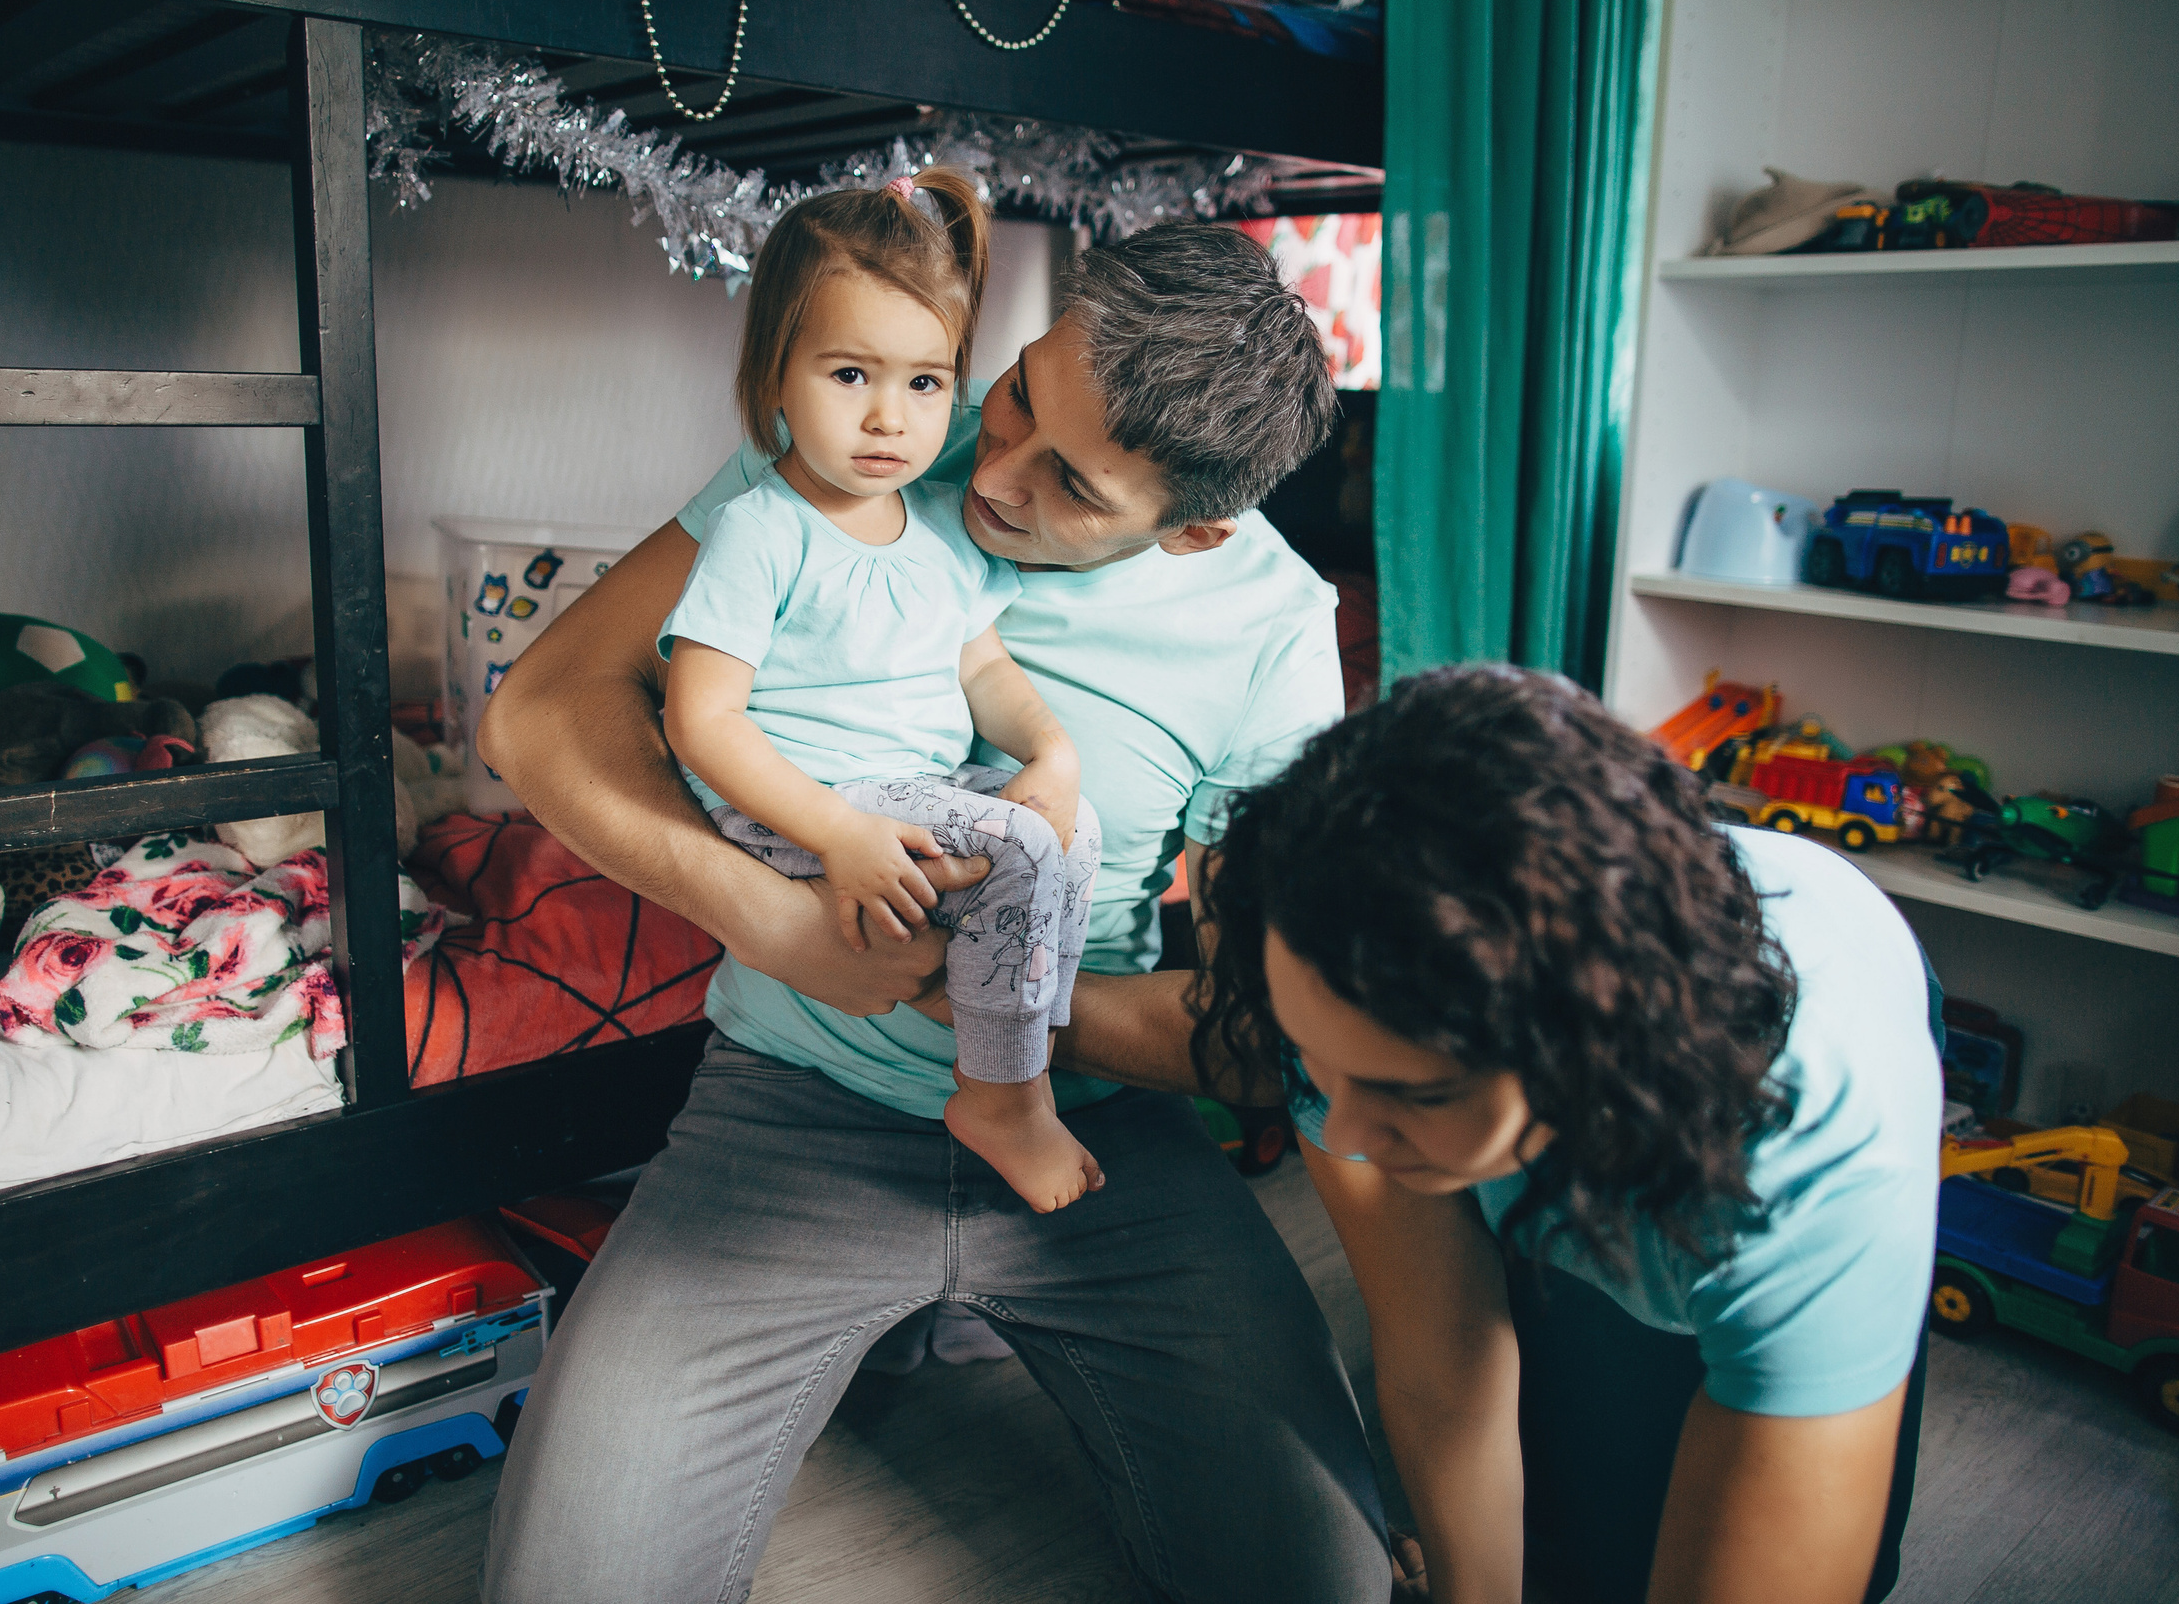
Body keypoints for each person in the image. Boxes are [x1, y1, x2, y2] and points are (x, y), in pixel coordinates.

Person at [477, 221, 1392, 1603]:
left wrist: (995, 1007)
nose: (992, 469)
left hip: (1096, 1144)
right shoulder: (880, 433)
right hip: (792, 1104)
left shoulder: (1271, 624)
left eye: (1071, 484)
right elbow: (542, 706)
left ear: (1192, 527)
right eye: (1018, 391)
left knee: (1321, 1578)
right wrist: (774, 924)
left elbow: (1269, 1034)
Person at [1195, 666, 1938, 1604]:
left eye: (1410, 1095)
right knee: (1565, 1540)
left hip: (1783, 1047)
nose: (1340, 1127)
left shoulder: (1813, 1158)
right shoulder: (1345, 979)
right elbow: (1438, 1347)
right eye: (1317, 1060)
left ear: (1591, 1052)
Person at [660, 168, 1104, 1212]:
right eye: (849, 374)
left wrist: (1051, 754)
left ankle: (1001, 1028)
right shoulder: (760, 529)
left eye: (923, 382)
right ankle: (1001, 1096)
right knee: (1025, 847)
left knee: (1069, 827)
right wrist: (837, 833)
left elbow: (983, 669)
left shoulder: (946, 526)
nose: (888, 418)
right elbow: (701, 719)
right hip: (805, 798)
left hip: (912, 782)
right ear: (776, 375)